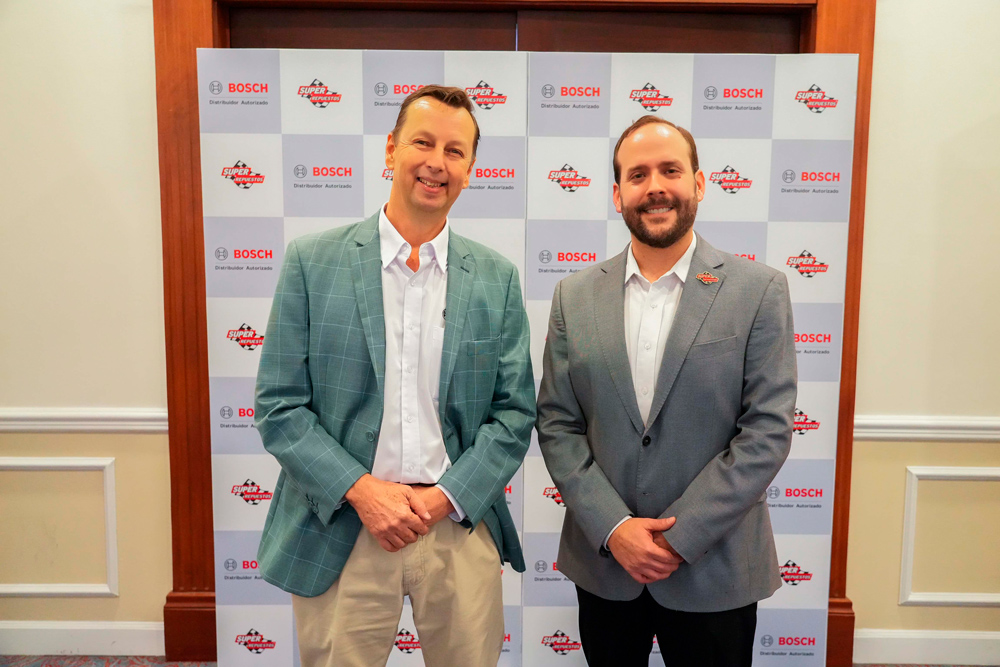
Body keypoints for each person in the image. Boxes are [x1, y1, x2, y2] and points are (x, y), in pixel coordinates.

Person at [254, 85, 535, 667]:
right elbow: (279, 407)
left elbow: (513, 413)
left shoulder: (497, 278)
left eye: (455, 151)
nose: (437, 162)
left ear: (470, 170)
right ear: (390, 150)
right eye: (422, 143)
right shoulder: (311, 262)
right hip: (343, 524)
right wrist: (364, 493)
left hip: (456, 525)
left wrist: (443, 498)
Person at [535, 115, 796, 667]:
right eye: (638, 174)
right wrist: (615, 528)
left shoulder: (759, 291)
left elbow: (767, 431)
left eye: (670, 170)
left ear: (698, 184)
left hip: (716, 568)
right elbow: (557, 424)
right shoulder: (573, 297)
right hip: (607, 566)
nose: (655, 186)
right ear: (618, 194)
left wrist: (680, 537)